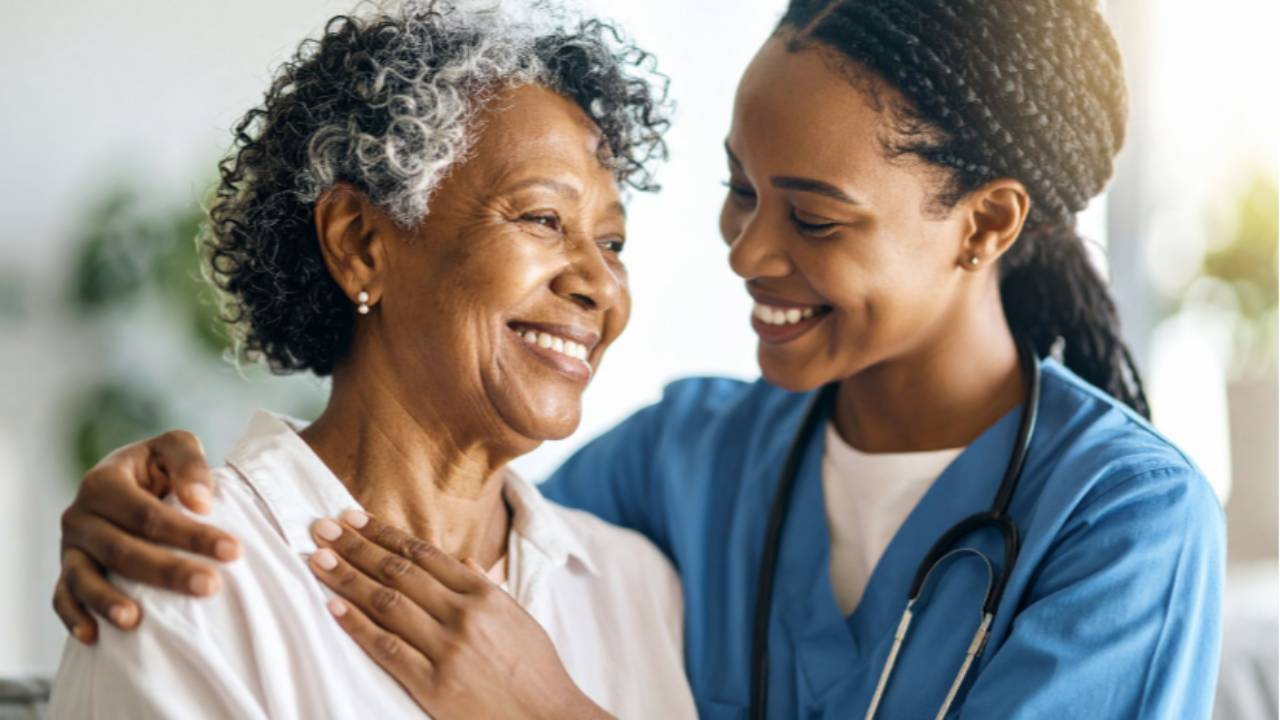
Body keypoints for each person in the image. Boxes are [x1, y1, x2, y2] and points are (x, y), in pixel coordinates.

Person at [53, 0, 1225, 717]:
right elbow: (442, 488)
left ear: (982, 227)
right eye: (735, 189)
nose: (745, 251)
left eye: (811, 217)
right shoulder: (688, 471)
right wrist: (135, 504)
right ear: (361, 238)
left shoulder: (1121, 519)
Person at [48, 3, 697, 718]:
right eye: (543, 219)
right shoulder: (184, 578)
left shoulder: (639, 588)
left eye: (613, 244)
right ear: (359, 242)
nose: (600, 284)